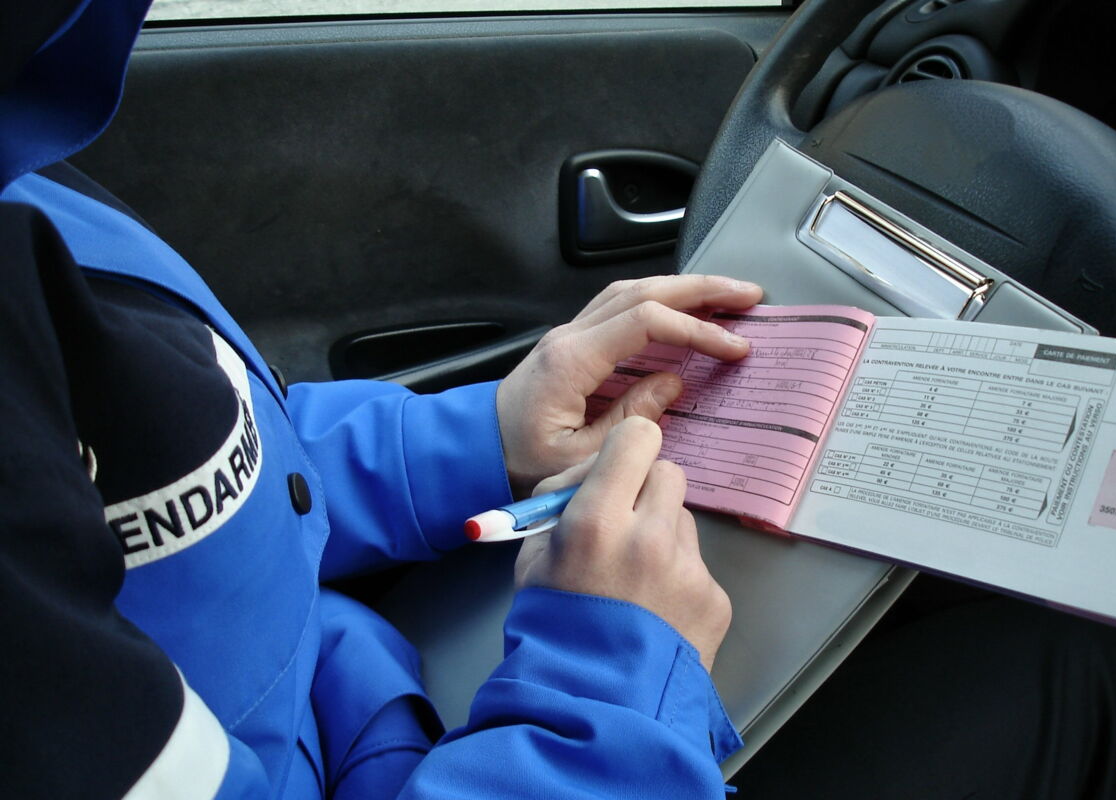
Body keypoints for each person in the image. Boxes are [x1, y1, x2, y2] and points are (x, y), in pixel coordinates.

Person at [0, 1, 760, 796]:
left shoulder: (31, 174)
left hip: (358, 700)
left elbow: (195, 456)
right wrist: (607, 688)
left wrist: (480, 438)